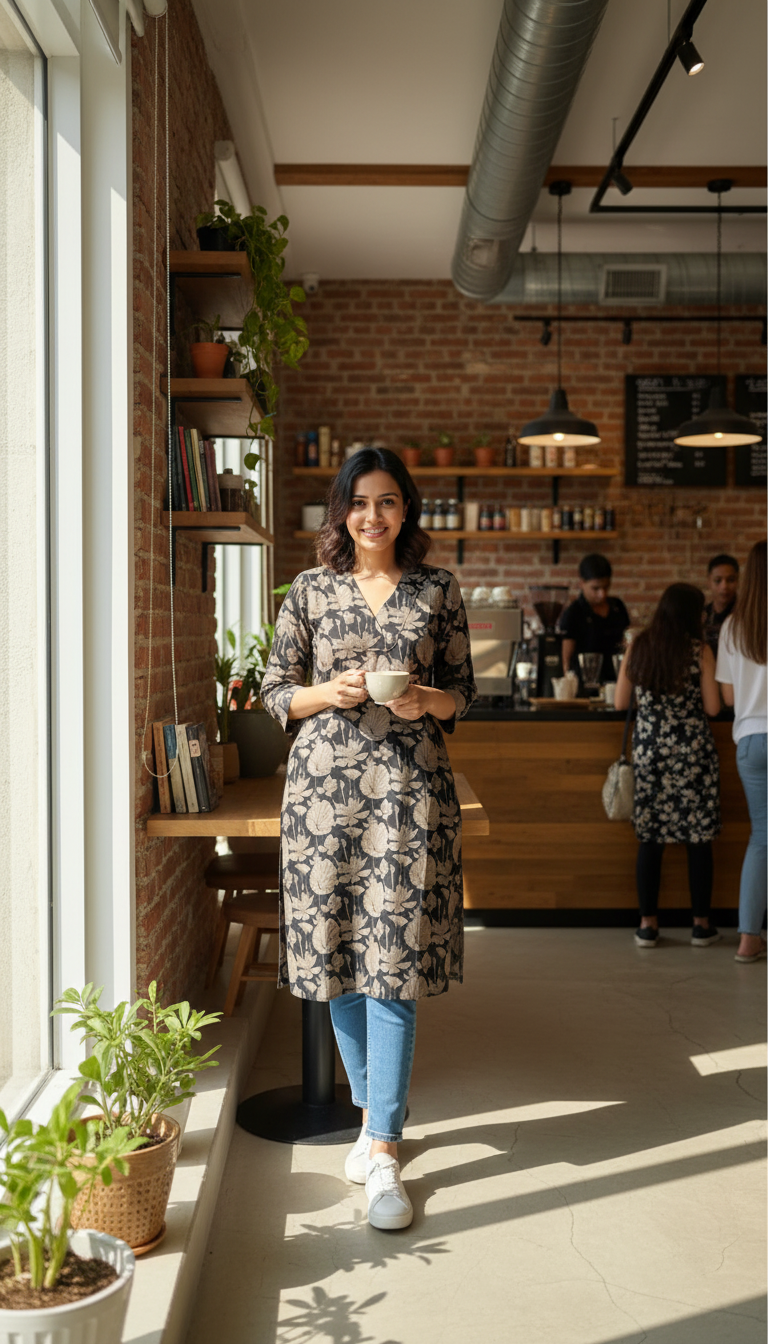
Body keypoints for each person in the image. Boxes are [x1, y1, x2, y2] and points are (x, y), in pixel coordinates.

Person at [260, 446, 476, 1231]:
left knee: (395, 968)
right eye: (360, 502)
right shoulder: (309, 590)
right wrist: (329, 691)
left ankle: (383, 1147)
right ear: (341, 511)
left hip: (409, 794)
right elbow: (275, 691)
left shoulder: (436, 589)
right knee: (341, 962)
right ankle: (369, 1117)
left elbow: (465, 696)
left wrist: (425, 699)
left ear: (406, 510)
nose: (373, 516)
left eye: (387, 502)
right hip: (323, 798)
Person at [615, 583, 721, 949]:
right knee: (698, 838)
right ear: (693, 614)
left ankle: (648, 925)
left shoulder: (639, 646)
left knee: (651, 839)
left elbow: (618, 701)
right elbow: (713, 708)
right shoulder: (700, 651)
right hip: (693, 752)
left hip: (650, 753)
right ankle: (701, 925)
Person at [716, 540, 767, 963]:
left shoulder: (733, 626)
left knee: (762, 840)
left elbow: (729, 698)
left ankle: (749, 939)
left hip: (750, 740)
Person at [560, 553, 630, 685]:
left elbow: (626, 645)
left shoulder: (617, 607)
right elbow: (566, 661)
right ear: (582, 583)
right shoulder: (573, 613)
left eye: (606, 587)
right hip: (585, 685)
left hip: (616, 683)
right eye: (595, 588)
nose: (602, 594)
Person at [703, 553, 739, 655]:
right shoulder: (702, 615)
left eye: (730, 580)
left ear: (738, 581)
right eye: (718, 581)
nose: (724, 586)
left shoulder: (745, 614)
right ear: (709, 581)